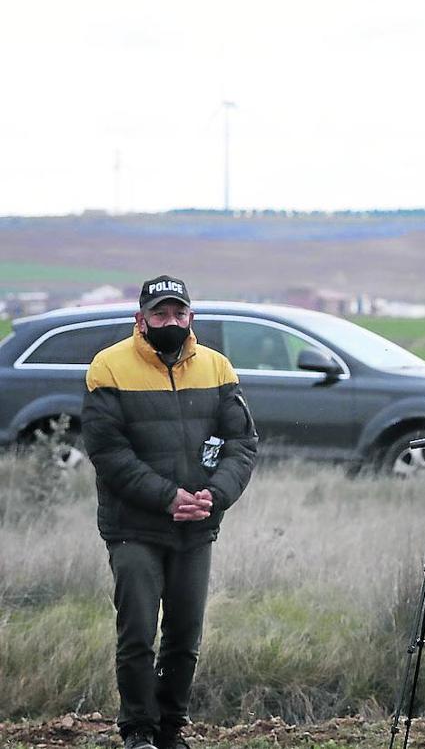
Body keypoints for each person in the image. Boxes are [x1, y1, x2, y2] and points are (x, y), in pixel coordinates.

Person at [82, 275, 258, 749]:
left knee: (184, 635)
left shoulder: (219, 369)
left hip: (197, 525)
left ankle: (171, 729)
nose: (170, 322)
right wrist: (166, 497)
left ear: (191, 317)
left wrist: (213, 495)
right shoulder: (108, 367)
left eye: (178, 313)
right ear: (140, 320)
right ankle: (138, 729)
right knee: (138, 632)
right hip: (134, 526)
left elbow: (241, 444)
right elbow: (108, 452)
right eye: (160, 314)